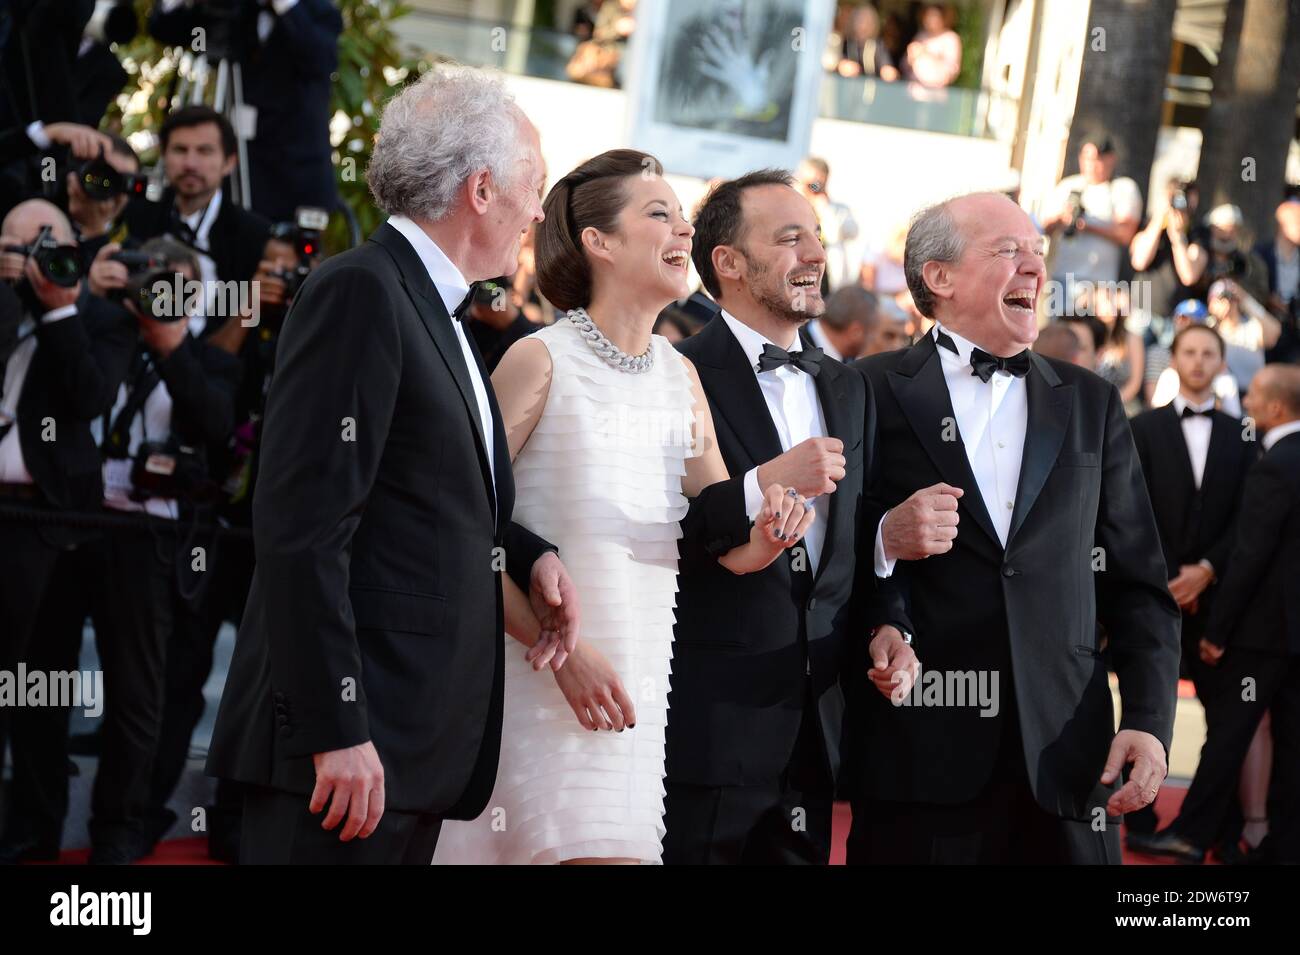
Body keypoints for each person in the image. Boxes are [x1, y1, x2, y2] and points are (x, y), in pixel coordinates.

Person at [205, 64, 580, 865]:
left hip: (407, 747)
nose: (539, 212)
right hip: (346, 752)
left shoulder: (434, 309)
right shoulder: (362, 293)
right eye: (534, 185)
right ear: (482, 189)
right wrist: (336, 727)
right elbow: (302, 527)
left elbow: (416, 488)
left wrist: (526, 551)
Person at [435, 151, 813, 866]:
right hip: (538, 683)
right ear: (598, 242)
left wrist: (771, 527)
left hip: (639, 699)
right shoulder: (538, 360)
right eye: (659, 213)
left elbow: (723, 536)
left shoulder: (681, 376)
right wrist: (565, 651)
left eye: (684, 215)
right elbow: (459, 526)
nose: (683, 229)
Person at [849, 192, 1181, 864]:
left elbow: (1140, 583)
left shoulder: (1091, 401)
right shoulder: (864, 389)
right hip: (919, 764)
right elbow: (824, 560)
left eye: (1039, 252)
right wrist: (885, 536)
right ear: (939, 277)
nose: (1036, 268)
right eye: (1009, 251)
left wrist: (1148, 720)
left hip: (1067, 763)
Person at [661, 170, 917, 864]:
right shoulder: (675, 374)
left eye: (817, 237)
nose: (814, 253)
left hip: (817, 732)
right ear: (729, 263)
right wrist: (762, 485)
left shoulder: (849, 386)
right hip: (704, 726)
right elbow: (657, 532)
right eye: (789, 238)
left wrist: (890, 622)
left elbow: (858, 533)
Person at [1, 238, 239, 864]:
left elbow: (217, 426)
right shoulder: (92, 328)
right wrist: (90, 300)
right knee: (40, 682)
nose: (157, 290)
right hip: (66, 520)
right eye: (144, 276)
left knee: (137, 695)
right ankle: (35, 822)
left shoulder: (210, 355)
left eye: (174, 282)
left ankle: (116, 835)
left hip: (144, 538)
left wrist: (172, 346)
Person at [0, 199, 135, 861]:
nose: (30, 257)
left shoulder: (104, 321)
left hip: (48, 526)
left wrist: (55, 308)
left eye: (43, 243)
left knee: (36, 691)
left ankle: (31, 838)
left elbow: (88, 397)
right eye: (14, 245)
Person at [1138, 364, 1300, 865]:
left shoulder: (1274, 464)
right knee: (1290, 739)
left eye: (1254, 396)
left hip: (1262, 634)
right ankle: (1279, 842)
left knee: (1229, 734)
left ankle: (1191, 832)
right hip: (1288, 634)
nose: (1245, 403)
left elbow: (1250, 556)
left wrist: (1218, 631)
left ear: (1274, 408)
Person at [1124, 324, 1256, 853]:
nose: (1199, 361)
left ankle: (1206, 824)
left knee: (1226, 718)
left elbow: (1252, 515)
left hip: (1217, 599)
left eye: (1209, 354)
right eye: (1189, 352)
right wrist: (1166, 577)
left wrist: (1206, 569)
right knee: (1143, 706)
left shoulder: (1242, 433)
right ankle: (1136, 814)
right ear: (1174, 360)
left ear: (1223, 363)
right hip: (1153, 592)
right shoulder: (1144, 426)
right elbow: (1130, 508)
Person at [148, 0, 343, 221]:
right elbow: (168, 30)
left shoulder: (319, 11)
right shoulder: (236, 10)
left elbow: (320, 61)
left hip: (297, 174)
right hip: (243, 170)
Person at [122, 106, 271, 289]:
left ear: (229, 162)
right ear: (164, 155)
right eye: (180, 150)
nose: (190, 164)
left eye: (204, 151)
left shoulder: (255, 236)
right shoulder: (138, 214)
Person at [1043, 137, 1142, 292]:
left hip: (1099, 285)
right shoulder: (1067, 186)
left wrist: (1086, 226)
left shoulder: (1122, 188)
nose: (1090, 165)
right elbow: (1044, 228)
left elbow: (1125, 234)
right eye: (1086, 158)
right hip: (1062, 279)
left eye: (1096, 159)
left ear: (1110, 159)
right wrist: (1062, 219)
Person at [795, 157, 860, 293]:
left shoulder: (836, 210)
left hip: (826, 273)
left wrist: (824, 205)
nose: (814, 186)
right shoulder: (790, 205)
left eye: (818, 182)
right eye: (810, 183)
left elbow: (835, 235)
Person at [800, 285, 878, 362]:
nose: (874, 338)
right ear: (855, 332)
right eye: (872, 332)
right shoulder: (793, 348)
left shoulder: (850, 364)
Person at [903, 3, 961, 89]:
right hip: (914, 87)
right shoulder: (920, 36)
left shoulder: (951, 38)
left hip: (937, 90)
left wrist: (927, 53)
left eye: (934, 16)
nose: (930, 20)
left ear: (943, 18)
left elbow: (953, 68)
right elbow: (904, 65)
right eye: (928, 16)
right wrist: (910, 58)